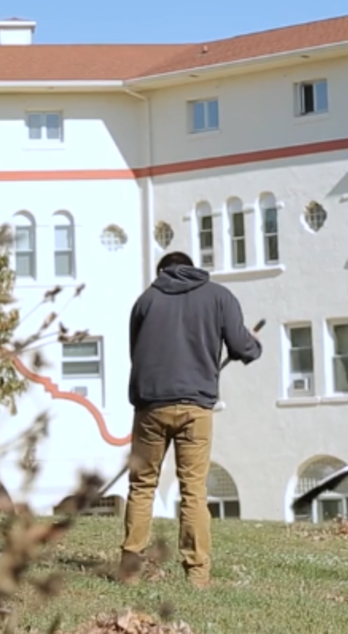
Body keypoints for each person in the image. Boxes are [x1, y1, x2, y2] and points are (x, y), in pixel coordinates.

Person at [117, 251, 262, 588]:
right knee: (193, 490)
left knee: (142, 486)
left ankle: (130, 571)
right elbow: (241, 346)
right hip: (195, 406)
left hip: (151, 405)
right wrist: (252, 344)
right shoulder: (219, 297)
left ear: (162, 272)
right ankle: (197, 575)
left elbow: (136, 355)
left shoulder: (146, 301)